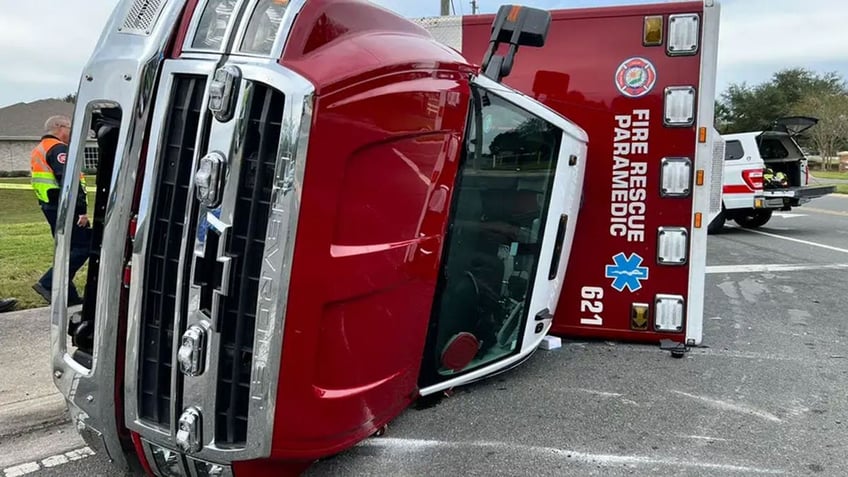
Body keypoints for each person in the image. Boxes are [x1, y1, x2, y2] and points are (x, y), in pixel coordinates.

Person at [30, 115, 91, 306]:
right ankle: (47, 283)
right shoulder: (58, 149)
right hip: (65, 207)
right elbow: (68, 180)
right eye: (69, 127)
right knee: (84, 246)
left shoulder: (40, 149)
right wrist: (80, 209)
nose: (71, 132)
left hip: (50, 205)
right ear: (59, 127)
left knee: (67, 249)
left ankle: (69, 295)